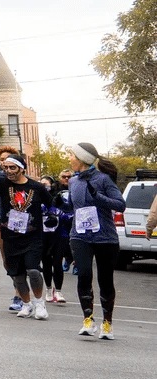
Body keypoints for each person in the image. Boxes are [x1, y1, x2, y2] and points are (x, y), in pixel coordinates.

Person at [0, 133, 57, 319]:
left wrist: (53, 216)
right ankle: (26, 303)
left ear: (22, 169)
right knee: (17, 275)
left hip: (32, 236)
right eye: (5, 167)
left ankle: (40, 304)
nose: (8, 171)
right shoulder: (1, 184)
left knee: (32, 269)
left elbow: (51, 204)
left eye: (12, 167)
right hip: (11, 236)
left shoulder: (36, 187)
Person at [67, 142, 125, 339]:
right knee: (83, 274)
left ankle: (107, 324)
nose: (69, 159)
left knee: (105, 280)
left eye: (72, 155)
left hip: (105, 238)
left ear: (82, 159)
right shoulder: (73, 181)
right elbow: (73, 207)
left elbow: (120, 204)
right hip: (80, 236)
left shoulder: (104, 179)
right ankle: (88, 320)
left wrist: (98, 197)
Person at [42, 172, 73, 304]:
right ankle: (49, 289)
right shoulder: (37, 197)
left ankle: (58, 291)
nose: (44, 187)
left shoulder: (61, 195)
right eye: (41, 185)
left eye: (46, 185)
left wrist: (60, 214)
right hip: (43, 234)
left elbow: (71, 213)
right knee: (46, 262)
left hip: (60, 234)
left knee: (57, 262)